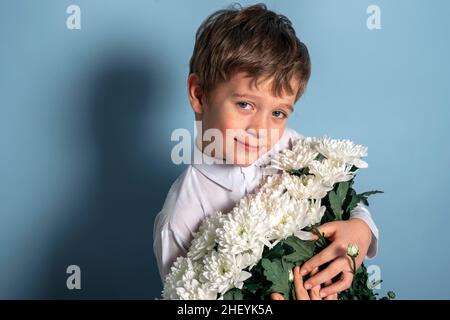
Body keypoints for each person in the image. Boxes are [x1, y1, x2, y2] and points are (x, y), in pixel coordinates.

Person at [153, 3, 378, 300]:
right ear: (199, 94)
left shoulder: (294, 149)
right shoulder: (181, 217)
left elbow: (343, 199)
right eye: (245, 104)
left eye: (278, 114)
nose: (260, 129)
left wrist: (359, 230)